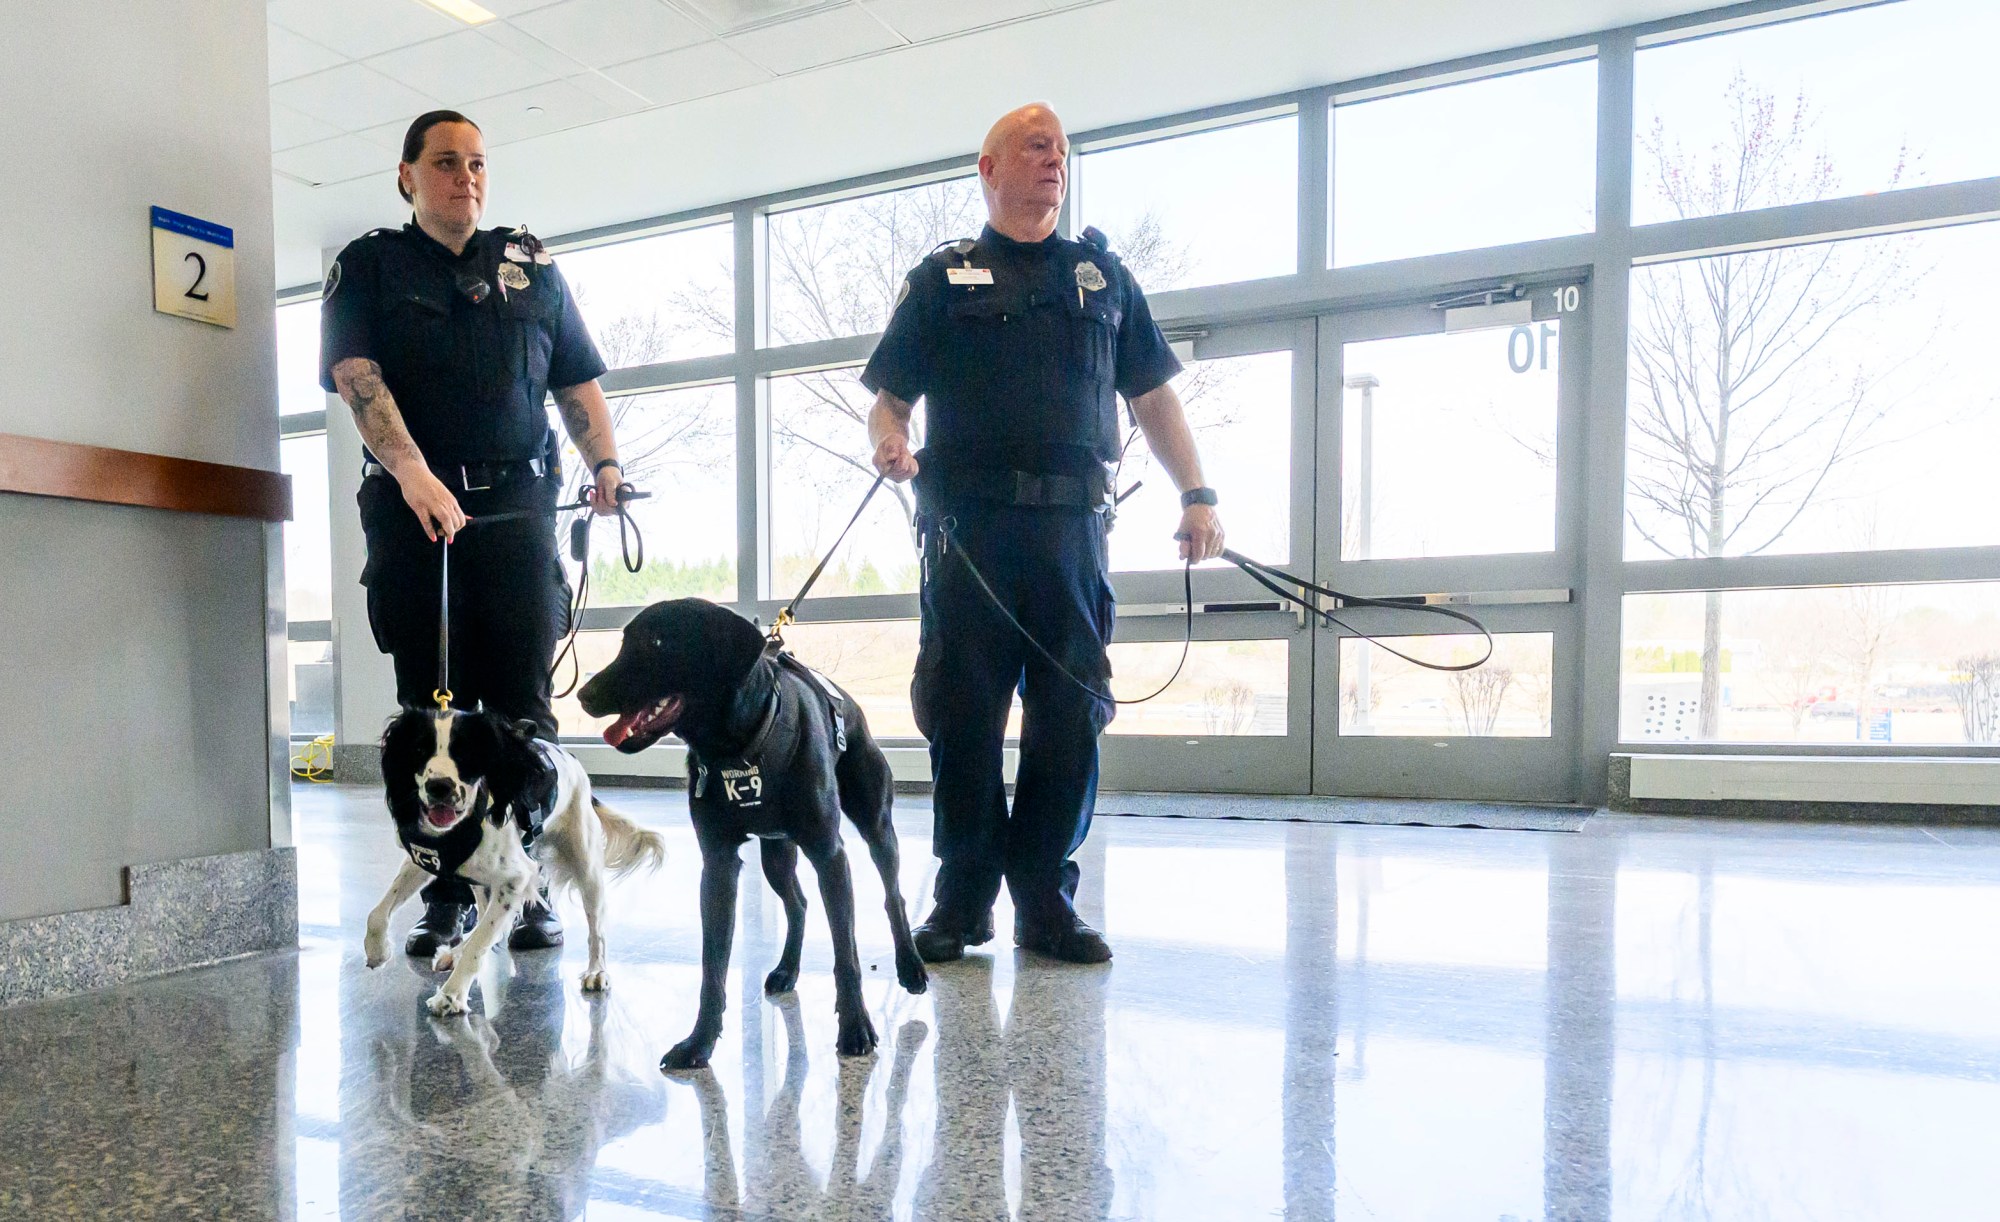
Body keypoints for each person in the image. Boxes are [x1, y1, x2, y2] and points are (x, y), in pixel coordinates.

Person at [861, 103, 1225, 964]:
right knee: (964, 713)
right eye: (1035, 147)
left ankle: (1046, 904)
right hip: (968, 535)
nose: (1053, 161)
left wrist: (1198, 492)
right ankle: (962, 901)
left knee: (1070, 715)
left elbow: (1154, 395)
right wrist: (889, 437)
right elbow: (890, 394)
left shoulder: (1103, 279)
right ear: (988, 168)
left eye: (1061, 150)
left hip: (1071, 531)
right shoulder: (941, 279)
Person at [320, 110, 627, 957]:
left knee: (524, 713)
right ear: (408, 176)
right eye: (448, 163)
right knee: (433, 711)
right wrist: (415, 474)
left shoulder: (529, 268)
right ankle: (449, 892)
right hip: (417, 517)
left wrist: (605, 465)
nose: (468, 177)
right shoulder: (372, 266)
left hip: (519, 515)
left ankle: (524, 886)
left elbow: (575, 379)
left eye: (479, 164)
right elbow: (358, 379)